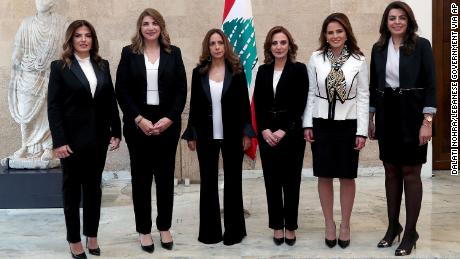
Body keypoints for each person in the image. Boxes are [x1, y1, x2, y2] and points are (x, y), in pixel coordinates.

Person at [48, 20, 121, 259]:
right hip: (71, 142)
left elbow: (110, 100)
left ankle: (92, 234)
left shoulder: (102, 65)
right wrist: (59, 141)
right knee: (71, 191)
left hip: (98, 139)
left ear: (93, 39)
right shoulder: (59, 67)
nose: (83, 39)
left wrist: (116, 130)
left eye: (87, 35)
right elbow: (54, 107)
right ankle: (74, 239)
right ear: (71, 40)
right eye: (78, 35)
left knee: (93, 190)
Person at [115, 8, 187, 253]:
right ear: (140, 27)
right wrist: (138, 119)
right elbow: (121, 90)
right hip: (138, 125)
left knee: (166, 179)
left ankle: (164, 227)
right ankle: (144, 231)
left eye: (154, 23)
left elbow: (181, 90)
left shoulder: (173, 53)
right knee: (141, 180)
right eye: (146, 23)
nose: (150, 27)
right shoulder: (129, 53)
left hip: (167, 125)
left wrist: (169, 118)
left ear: (161, 27)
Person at [369, 1, 436, 256]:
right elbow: (375, 84)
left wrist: (427, 122)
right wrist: (371, 118)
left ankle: (410, 232)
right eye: (391, 18)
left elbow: (431, 86)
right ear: (386, 23)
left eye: (401, 18)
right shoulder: (378, 49)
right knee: (391, 171)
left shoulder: (421, 46)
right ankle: (392, 226)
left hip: (413, 114)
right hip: (387, 114)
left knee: (410, 172)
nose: (396, 22)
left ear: (409, 21)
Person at [182, 29, 255, 246]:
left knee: (234, 183)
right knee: (208, 183)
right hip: (206, 135)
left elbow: (244, 105)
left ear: (226, 46)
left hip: (233, 135)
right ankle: (209, 233)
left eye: (220, 43)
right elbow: (194, 105)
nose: (216, 47)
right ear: (208, 47)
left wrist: (247, 133)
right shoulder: (198, 72)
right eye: (212, 43)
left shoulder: (237, 71)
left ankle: (234, 232)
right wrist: (191, 134)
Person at [302, 13, 369, 249]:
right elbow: (310, 92)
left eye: (339, 31)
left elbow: (363, 96)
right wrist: (307, 124)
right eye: (330, 32)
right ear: (325, 35)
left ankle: (345, 225)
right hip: (321, 123)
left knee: (347, 176)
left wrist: (361, 131)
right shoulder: (316, 58)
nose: (335, 36)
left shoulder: (358, 60)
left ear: (346, 32)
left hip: (348, 124)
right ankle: (329, 223)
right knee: (325, 175)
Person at [253, 26, 308, 246]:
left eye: (283, 42)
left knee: (291, 182)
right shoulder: (263, 71)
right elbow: (258, 103)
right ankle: (277, 225)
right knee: (272, 182)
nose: (279, 47)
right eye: (274, 43)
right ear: (269, 46)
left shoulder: (299, 69)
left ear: (289, 45)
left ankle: (291, 226)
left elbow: (300, 103)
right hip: (267, 136)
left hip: (291, 134)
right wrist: (265, 130)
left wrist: (284, 130)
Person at [8, 0, 66, 163]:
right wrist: (17, 58)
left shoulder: (61, 23)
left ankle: (48, 146)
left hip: (50, 74)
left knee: (49, 109)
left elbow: (67, 49)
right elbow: (18, 47)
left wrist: (50, 62)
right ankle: (26, 144)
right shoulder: (26, 23)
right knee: (25, 109)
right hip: (28, 73)